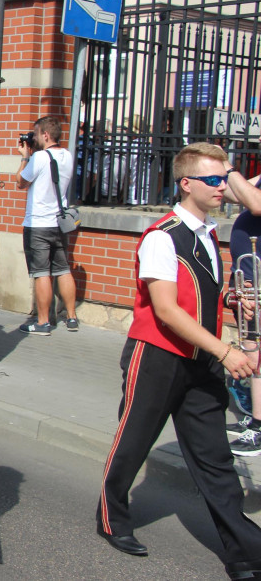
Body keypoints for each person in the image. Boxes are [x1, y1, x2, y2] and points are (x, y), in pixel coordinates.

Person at [96, 143, 261, 577]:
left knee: (216, 460)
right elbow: (166, 309)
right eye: (213, 180)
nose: (222, 187)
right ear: (186, 184)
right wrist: (226, 351)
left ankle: (246, 553)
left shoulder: (208, 234)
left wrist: (230, 298)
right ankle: (112, 518)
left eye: (224, 179)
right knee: (133, 442)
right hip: (157, 357)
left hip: (200, 360)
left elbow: (200, 292)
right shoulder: (161, 237)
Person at [16, 115, 78, 334]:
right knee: (62, 269)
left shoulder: (40, 158)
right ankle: (71, 317)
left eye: (35, 134)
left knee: (41, 272)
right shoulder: (67, 156)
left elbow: (21, 182)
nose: (33, 138)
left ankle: (43, 322)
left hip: (39, 223)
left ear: (45, 134)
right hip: (59, 223)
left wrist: (25, 157)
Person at [222, 159, 261, 457]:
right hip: (247, 281)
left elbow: (255, 204)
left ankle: (259, 429)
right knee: (252, 349)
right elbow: (234, 193)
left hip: (257, 283)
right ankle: (255, 418)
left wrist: (229, 166)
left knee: (257, 354)